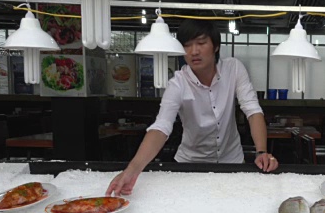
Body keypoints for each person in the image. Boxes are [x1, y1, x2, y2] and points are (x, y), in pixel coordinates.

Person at [106, 20, 278, 196]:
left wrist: (262, 152)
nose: (194, 51)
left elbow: (252, 110)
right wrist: (132, 169)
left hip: (232, 161)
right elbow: (161, 126)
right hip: (190, 165)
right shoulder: (178, 83)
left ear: (216, 46)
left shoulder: (234, 69)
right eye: (187, 45)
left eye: (201, 43)